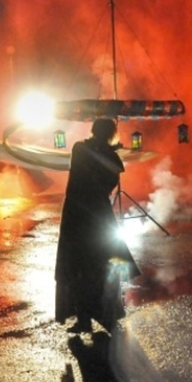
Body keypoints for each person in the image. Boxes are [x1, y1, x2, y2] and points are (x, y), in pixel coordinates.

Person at [55, 118, 140, 334]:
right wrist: (109, 151)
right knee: (98, 266)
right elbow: (107, 182)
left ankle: (86, 319)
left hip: (77, 214)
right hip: (96, 214)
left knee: (80, 268)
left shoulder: (82, 149)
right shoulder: (104, 154)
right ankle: (99, 317)